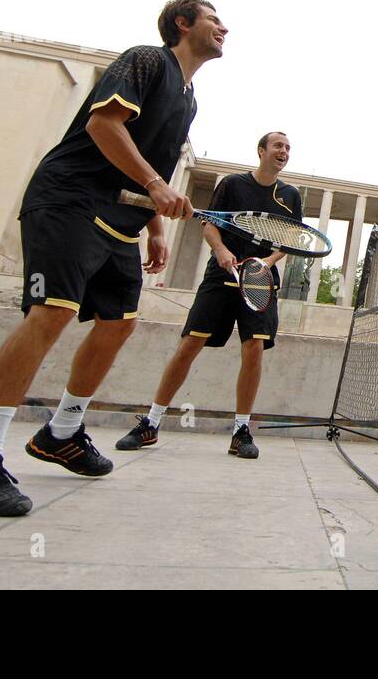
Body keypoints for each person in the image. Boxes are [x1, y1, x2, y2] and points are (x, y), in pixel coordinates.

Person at [0, 0, 225, 516]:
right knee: (53, 313)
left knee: (119, 323)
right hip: (68, 200)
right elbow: (104, 127)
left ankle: (62, 431)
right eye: (212, 18)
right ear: (183, 24)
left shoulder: (189, 98)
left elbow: (150, 165)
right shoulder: (144, 60)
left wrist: (156, 225)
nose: (223, 26)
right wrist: (158, 189)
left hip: (121, 219)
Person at [116, 132, 302, 458]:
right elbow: (210, 224)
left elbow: (286, 242)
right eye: (278, 146)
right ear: (261, 151)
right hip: (220, 276)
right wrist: (220, 250)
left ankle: (241, 431)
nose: (284, 151)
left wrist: (265, 262)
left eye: (287, 148)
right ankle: (151, 422)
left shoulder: (290, 196)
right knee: (190, 343)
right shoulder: (231, 184)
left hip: (259, 281)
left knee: (254, 348)